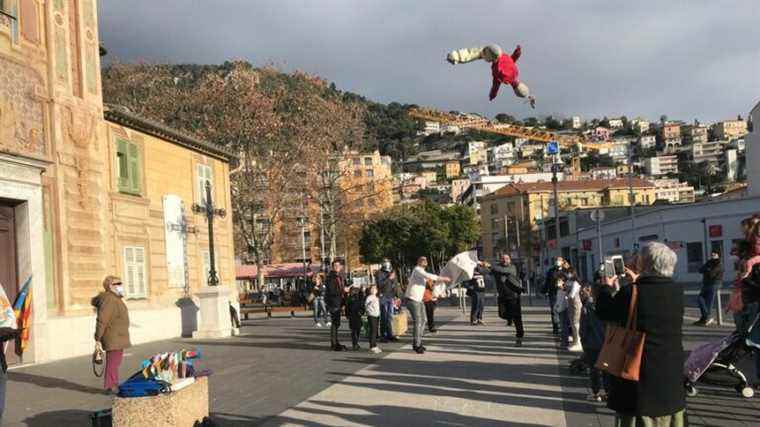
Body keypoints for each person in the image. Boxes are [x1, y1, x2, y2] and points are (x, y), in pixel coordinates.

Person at [596, 242, 686, 426]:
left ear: (645, 264)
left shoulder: (631, 292)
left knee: (638, 414)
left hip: (638, 368)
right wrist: (637, 282)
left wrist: (606, 287)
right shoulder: (677, 291)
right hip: (670, 367)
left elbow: (604, 312)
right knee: (668, 413)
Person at [446, 43, 536, 108]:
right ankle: (455, 57)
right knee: (478, 53)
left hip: (495, 52)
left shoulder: (510, 71)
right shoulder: (501, 72)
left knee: (476, 52)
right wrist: (492, 94)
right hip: (494, 54)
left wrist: (518, 51)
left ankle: (455, 57)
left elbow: (513, 58)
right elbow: (495, 85)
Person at [92, 276, 131, 394]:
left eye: (121, 283)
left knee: (115, 361)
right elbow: (102, 319)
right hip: (113, 336)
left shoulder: (115, 298)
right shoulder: (110, 299)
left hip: (118, 335)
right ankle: (110, 385)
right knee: (113, 362)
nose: (121, 285)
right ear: (110, 286)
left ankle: (113, 383)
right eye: (118, 283)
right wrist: (98, 337)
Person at [406, 256, 450, 354]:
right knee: (418, 321)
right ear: (418, 262)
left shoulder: (422, 274)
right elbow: (428, 276)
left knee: (424, 320)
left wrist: (439, 285)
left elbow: (430, 283)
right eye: (422, 259)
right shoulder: (417, 270)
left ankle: (417, 342)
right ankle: (417, 345)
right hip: (412, 299)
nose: (424, 261)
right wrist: (442, 278)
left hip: (419, 300)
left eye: (426, 260)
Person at [485, 254, 525, 346]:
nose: (504, 260)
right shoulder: (497, 268)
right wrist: (480, 265)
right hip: (503, 296)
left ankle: (519, 337)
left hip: (513, 295)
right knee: (502, 314)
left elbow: (502, 270)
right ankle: (509, 318)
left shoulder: (512, 267)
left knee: (517, 318)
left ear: (509, 260)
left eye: (506, 258)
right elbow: (487, 271)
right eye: (503, 258)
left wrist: (490, 266)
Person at [580, 283, 608, 402]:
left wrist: (583, 341)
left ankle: (595, 393)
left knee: (594, 370)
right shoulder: (608, 307)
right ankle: (608, 392)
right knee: (607, 370)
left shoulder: (587, 307)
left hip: (592, 344)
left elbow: (583, 328)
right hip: (606, 343)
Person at [326, 260, 350, 351]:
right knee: (335, 323)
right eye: (335, 265)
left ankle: (336, 342)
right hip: (333, 302)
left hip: (338, 302)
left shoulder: (339, 276)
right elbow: (332, 291)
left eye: (338, 265)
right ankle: (334, 344)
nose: (336, 267)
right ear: (332, 267)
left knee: (337, 323)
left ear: (341, 267)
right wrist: (344, 290)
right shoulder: (331, 277)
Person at [695, 251, 724, 326]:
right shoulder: (709, 262)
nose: (712, 255)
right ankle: (707, 317)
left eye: (714, 254)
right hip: (706, 283)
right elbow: (700, 270)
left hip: (714, 284)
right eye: (712, 254)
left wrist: (706, 269)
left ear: (718, 255)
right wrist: (707, 269)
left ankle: (705, 319)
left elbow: (712, 274)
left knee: (708, 303)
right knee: (700, 299)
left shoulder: (719, 264)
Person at [375, 259, 400, 342]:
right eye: (384, 262)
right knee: (384, 316)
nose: (386, 263)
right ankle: (383, 335)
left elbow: (395, 284)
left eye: (388, 261)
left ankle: (390, 334)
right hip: (383, 296)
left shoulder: (392, 271)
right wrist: (389, 278)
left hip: (391, 296)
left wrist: (397, 296)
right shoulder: (379, 273)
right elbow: (380, 285)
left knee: (390, 317)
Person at [543, 257, 566, 335]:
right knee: (554, 311)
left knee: (563, 311)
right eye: (556, 260)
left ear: (563, 262)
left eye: (559, 260)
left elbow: (571, 279)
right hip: (553, 293)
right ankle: (556, 328)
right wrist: (544, 291)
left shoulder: (566, 270)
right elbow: (547, 281)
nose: (557, 262)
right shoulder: (551, 271)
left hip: (563, 293)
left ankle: (564, 328)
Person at [565, 269, 583, 353]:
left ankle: (578, 342)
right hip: (570, 304)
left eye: (569, 273)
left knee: (576, 323)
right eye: (567, 273)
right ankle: (575, 340)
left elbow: (572, 294)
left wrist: (566, 295)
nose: (567, 274)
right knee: (572, 323)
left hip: (576, 304)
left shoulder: (575, 283)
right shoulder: (568, 281)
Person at [346, 285, 365, 351]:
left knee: (358, 330)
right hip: (352, 317)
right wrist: (347, 315)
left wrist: (361, 312)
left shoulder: (358, 297)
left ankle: (356, 343)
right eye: (351, 291)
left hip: (358, 316)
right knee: (354, 331)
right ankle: (355, 344)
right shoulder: (349, 299)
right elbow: (347, 308)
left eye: (353, 291)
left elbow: (362, 305)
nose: (352, 292)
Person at [365, 285, 382, 354]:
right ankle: (372, 346)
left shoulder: (376, 297)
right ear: (370, 290)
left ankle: (374, 345)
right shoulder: (369, 297)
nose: (374, 290)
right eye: (372, 288)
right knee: (373, 330)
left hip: (376, 315)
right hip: (371, 315)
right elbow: (366, 306)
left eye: (375, 288)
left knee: (375, 331)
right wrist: (370, 306)